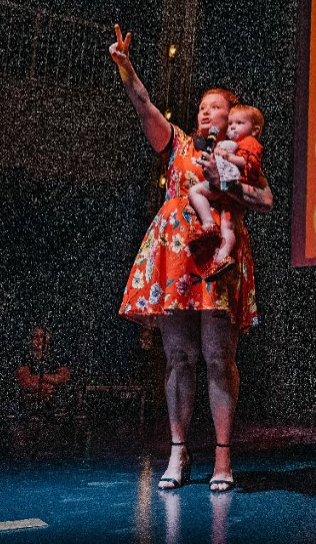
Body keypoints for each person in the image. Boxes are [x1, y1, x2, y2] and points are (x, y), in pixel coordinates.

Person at [108, 24, 273, 493]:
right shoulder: (179, 144)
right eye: (201, 106)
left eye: (215, 106)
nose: (205, 111)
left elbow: (266, 200)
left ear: (233, 116)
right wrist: (126, 66)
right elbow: (144, 106)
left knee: (219, 359)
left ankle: (223, 458)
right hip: (176, 256)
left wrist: (228, 186)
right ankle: (178, 453)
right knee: (179, 357)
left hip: (217, 258)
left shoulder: (242, 154)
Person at [186, 103, 265, 281]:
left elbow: (250, 167)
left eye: (238, 123)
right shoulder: (230, 144)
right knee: (227, 224)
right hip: (225, 194)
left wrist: (226, 158)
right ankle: (221, 256)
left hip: (229, 188)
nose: (233, 127)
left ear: (254, 129)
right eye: (231, 124)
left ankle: (210, 230)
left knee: (200, 195)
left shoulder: (249, 144)